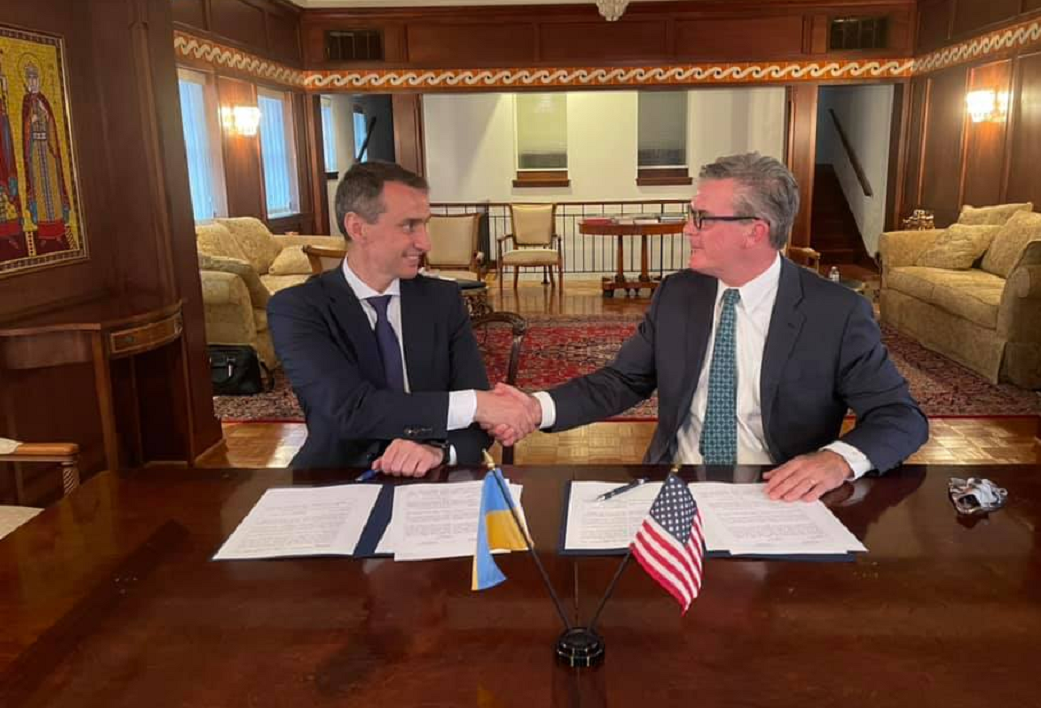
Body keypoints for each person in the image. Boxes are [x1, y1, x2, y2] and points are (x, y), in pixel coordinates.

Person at [490, 152, 928, 502]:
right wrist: (536, 407)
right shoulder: (679, 293)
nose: (688, 229)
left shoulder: (836, 312)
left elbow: (900, 416)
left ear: (754, 232)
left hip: (778, 493)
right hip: (676, 482)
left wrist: (838, 460)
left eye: (702, 218)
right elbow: (623, 381)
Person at [268, 161, 538, 475]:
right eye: (409, 226)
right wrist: (477, 403)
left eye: (425, 224)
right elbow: (351, 410)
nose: (425, 243)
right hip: (335, 478)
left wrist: (439, 452)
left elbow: (477, 426)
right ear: (358, 228)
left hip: (433, 480)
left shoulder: (442, 300)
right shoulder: (298, 309)